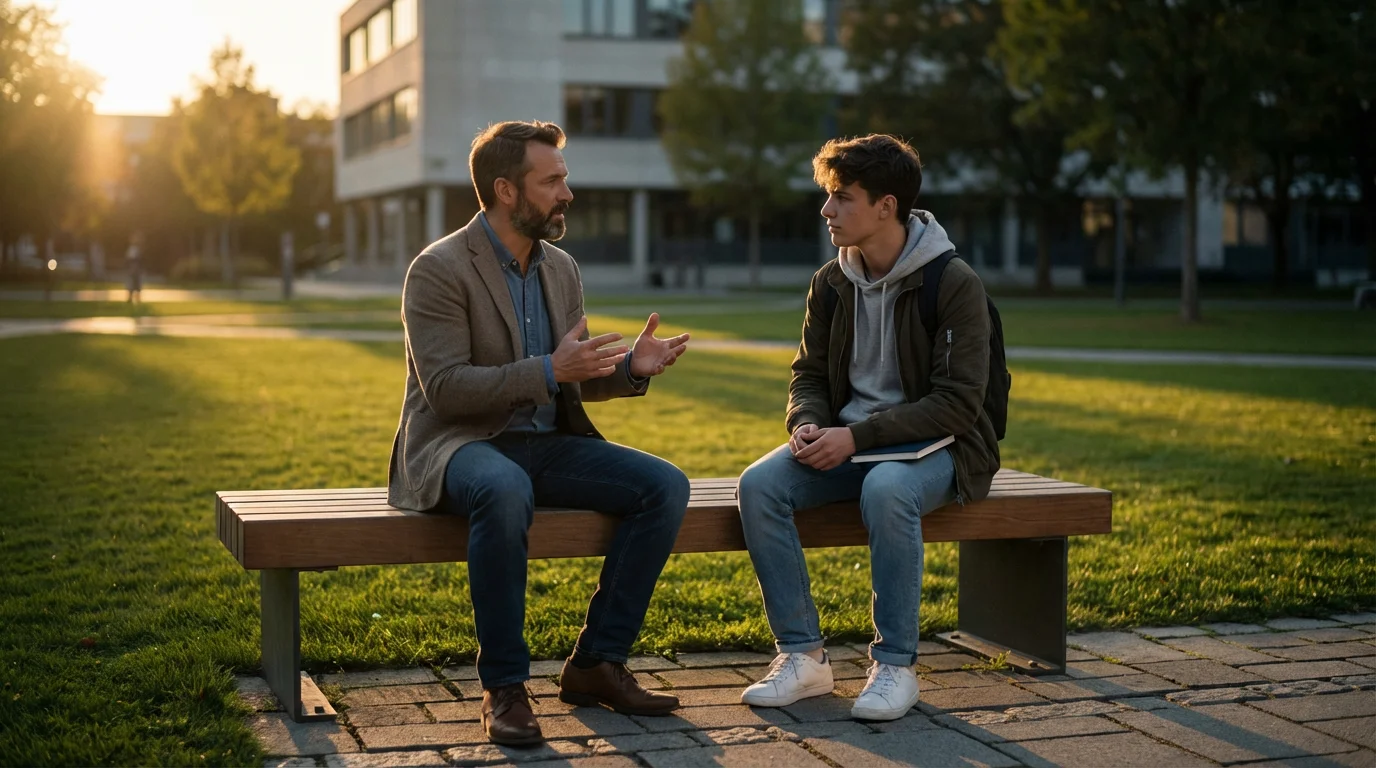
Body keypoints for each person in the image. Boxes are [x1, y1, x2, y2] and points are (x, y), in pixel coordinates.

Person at [388, 120, 692, 746]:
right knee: (503, 490)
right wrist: (551, 369)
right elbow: (446, 390)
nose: (567, 193)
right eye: (551, 181)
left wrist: (629, 369)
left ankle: (595, 665)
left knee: (664, 486)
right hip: (461, 446)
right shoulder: (438, 269)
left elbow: (569, 377)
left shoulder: (561, 268)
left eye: (565, 178)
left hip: (548, 445)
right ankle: (504, 688)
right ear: (505, 190)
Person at [735, 134, 1001, 721]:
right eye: (828, 196)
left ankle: (895, 666)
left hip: (941, 447)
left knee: (887, 488)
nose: (826, 210)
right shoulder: (831, 282)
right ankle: (803, 657)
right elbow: (808, 374)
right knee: (759, 485)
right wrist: (806, 422)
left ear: (886, 206)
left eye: (842, 197)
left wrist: (856, 437)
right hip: (850, 442)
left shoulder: (952, 283)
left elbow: (958, 404)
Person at [125, 232, 143, 304]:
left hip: (136, 269)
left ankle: (137, 299)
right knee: (131, 284)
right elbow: (131, 259)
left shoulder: (137, 249)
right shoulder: (132, 249)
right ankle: (130, 298)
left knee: (137, 284)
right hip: (133, 269)